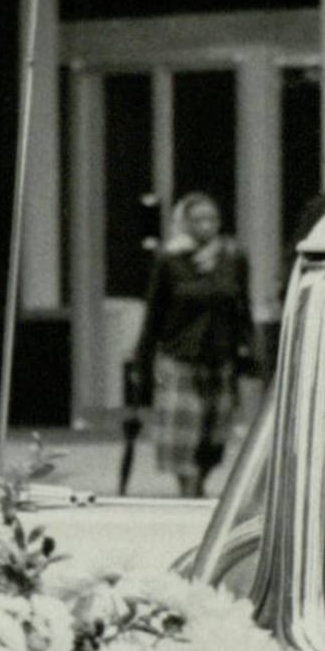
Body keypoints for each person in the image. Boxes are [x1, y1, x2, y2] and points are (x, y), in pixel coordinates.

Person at [125, 191, 258, 495]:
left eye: (212, 218)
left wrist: (249, 347)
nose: (206, 225)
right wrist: (142, 358)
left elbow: (242, 305)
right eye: (198, 219)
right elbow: (154, 311)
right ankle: (188, 485)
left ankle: (201, 478)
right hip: (180, 355)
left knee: (215, 430)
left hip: (220, 353)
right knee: (183, 433)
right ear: (185, 222)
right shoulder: (169, 259)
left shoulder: (233, 256)